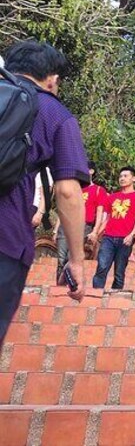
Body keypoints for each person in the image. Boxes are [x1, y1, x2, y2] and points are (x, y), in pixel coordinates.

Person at [0, 41, 88, 345]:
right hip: (6, 241)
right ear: (52, 79)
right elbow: (67, 191)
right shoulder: (54, 114)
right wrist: (76, 259)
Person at [92, 167, 135, 290]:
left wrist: (132, 234)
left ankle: (115, 298)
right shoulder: (112, 197)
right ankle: (96, 294)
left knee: (119, 271)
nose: (122, 178)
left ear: (134, 178)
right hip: (108, 237)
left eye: (125, 176)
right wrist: (97, 233)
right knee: (102, 267)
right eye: (120, 176)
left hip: (125, 239)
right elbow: (107, 218)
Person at [54, 162, 107, 279]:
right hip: (65, 225)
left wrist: (95, 231)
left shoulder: (98, 190)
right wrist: (56, 229)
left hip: (83, 226)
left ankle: (70, 286)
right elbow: (64, 209)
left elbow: (99, 212)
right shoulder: (74, 189)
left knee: (71, 258)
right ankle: (58, 288)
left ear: (91, 171)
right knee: (61, 259)